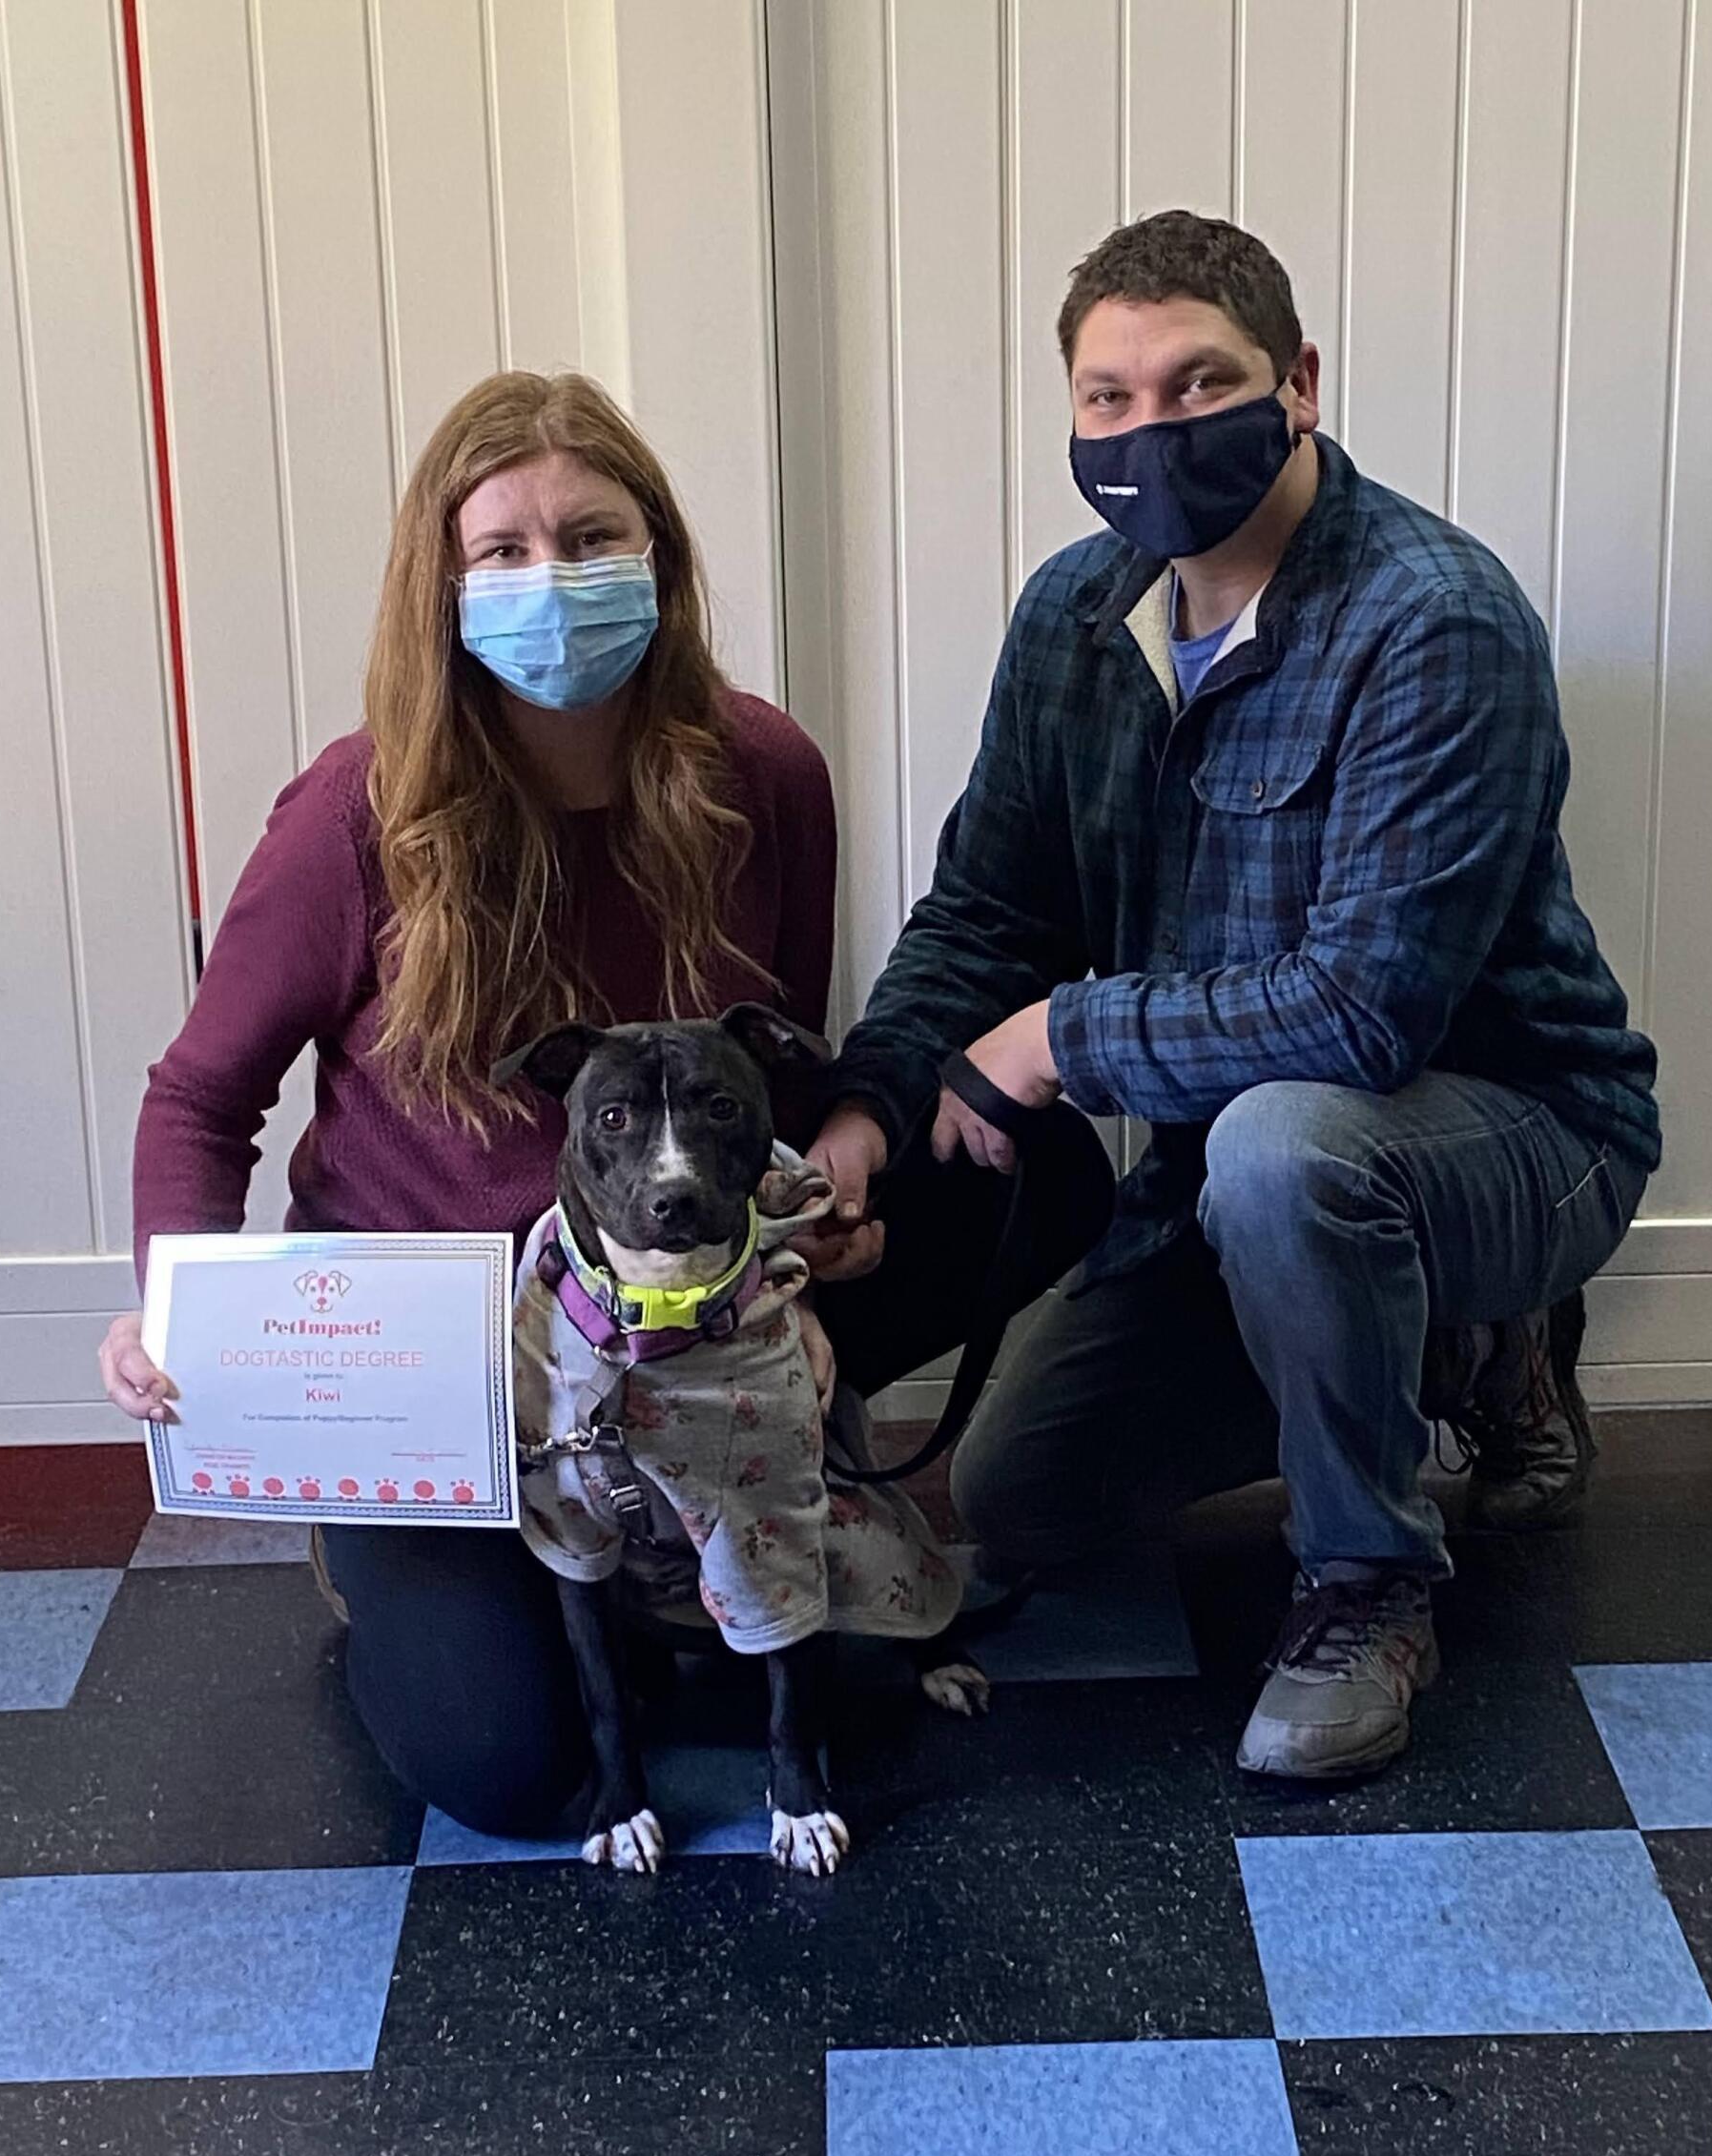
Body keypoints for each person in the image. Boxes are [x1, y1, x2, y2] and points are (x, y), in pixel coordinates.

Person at [98, 369, 1110, 1837]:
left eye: (590, 538)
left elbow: (785, 1060)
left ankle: (714, 1489)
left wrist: (816, 1224)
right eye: (502, 550)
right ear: (439, 585)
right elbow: (201, 1097)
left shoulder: (766, 773)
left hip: (708, 1280)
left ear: (663, 561)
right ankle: (446, 1547)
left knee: (1038, 1163)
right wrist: (166, 1305)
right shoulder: (352, 818)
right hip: (459, 1361)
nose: (549, 581)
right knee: (518, 1771)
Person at [803, 212, 1660, 1783]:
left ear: (1302, 382)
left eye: (1201, 383)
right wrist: (871, 1099)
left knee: (1288, 1147)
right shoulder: (1074, 614)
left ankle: (1370, 1579)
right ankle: (1444, 1353)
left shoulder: (1435, 620)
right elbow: (991, 906)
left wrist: (1060, 1038)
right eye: (1109, 400)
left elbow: (1365, 1017)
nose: (1154, 431)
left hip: (1525, 1130)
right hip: (1242, 1177)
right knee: (1014, 1499)